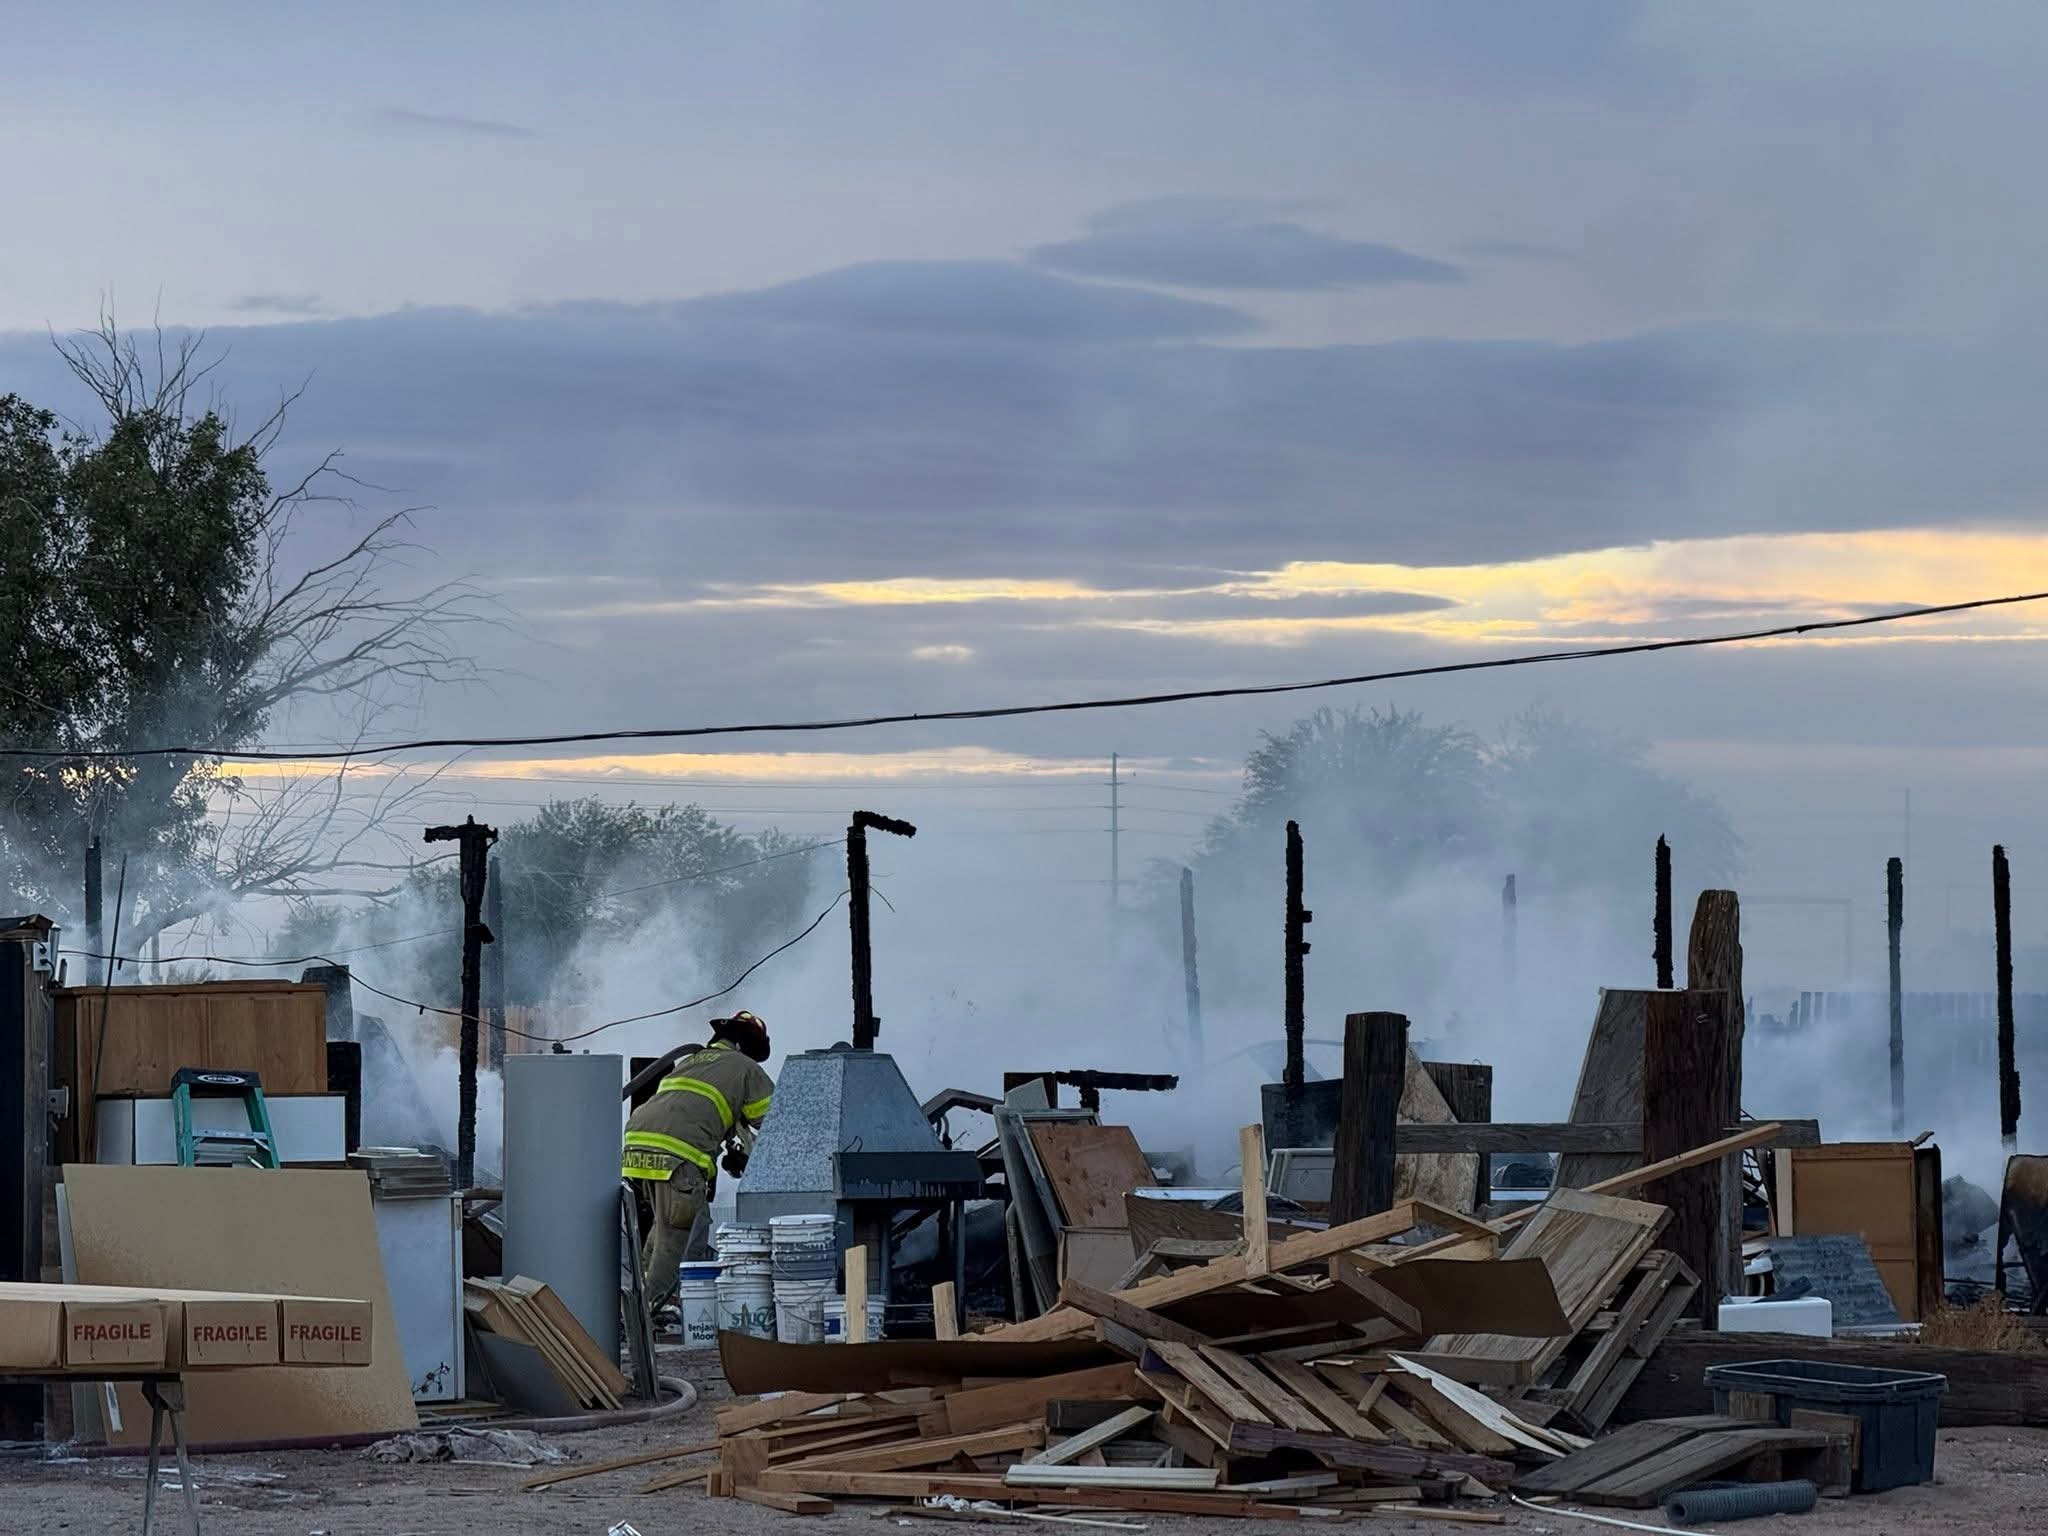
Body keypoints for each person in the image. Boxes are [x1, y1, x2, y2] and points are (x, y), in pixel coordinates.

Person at [622, 1010, 776, 1323]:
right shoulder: (745, 1068)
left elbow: (703, 1112)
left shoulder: (693, 1061)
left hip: (638, 1148)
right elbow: (776, 1122)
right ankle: (653, 1309)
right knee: (684, 1232)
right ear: (746, 1046)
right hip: (677, 1154)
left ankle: (639, 1304)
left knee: (663, 1229)